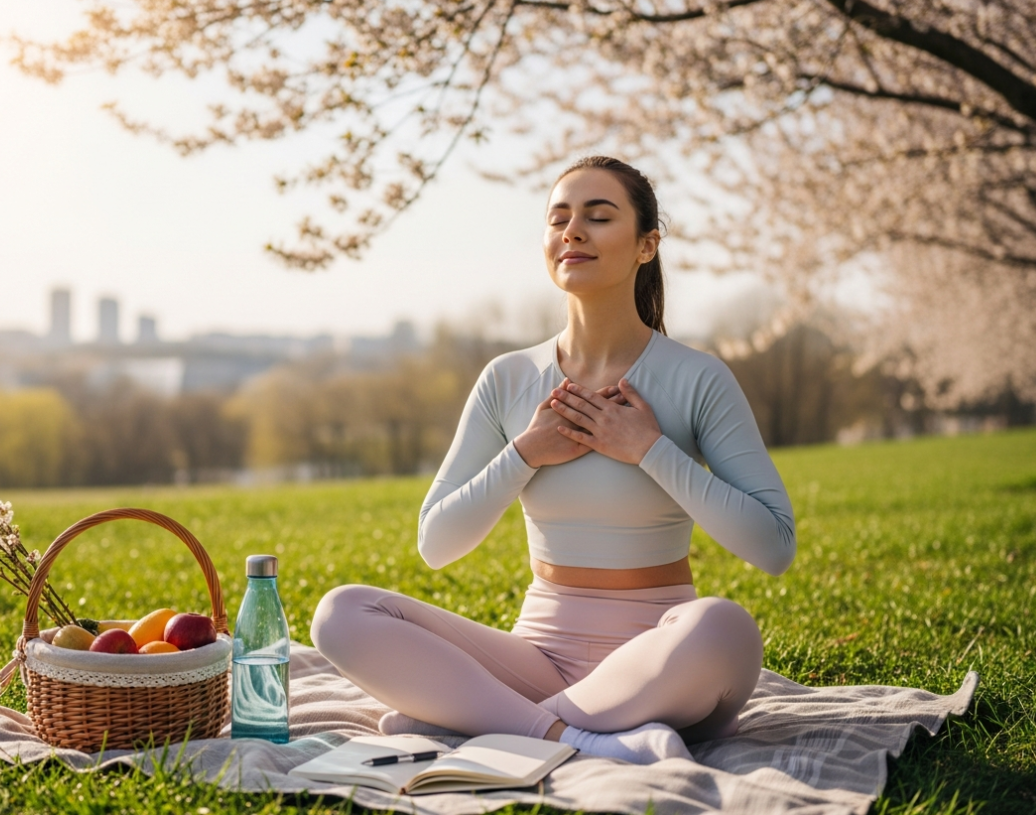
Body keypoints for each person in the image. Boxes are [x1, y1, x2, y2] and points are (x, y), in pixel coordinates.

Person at [310, 155, 796, 763]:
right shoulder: (508, 378)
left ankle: (479, 719)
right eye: (558, 218)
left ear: (647, 245)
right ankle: (570, 736)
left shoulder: (697, 377)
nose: (573, 232)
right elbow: (436, 543)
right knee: (342, 612)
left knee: (724, 627)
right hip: (537, 660)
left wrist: (648, 449)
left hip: (660, 659)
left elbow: (774, 546)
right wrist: (525, 453)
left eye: (598, 216)